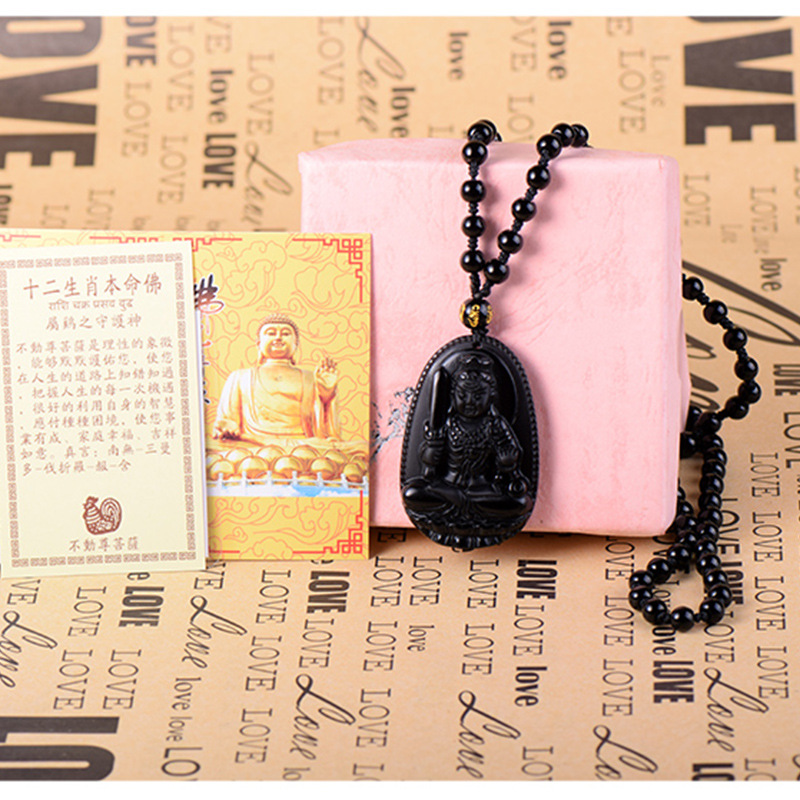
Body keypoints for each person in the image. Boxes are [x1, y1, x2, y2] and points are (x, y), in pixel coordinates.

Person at [213, 314, 340, 443]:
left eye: (285, 334)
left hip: (303, 443)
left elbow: (325, 430)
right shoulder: (240, 377)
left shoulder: (311, 378)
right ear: (259, 343)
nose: (278, 337)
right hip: (253, 443)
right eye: (271, 333)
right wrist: (227, 426)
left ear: (296, 343)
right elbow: (227, 420)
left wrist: (327, 394)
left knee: (351, 448)